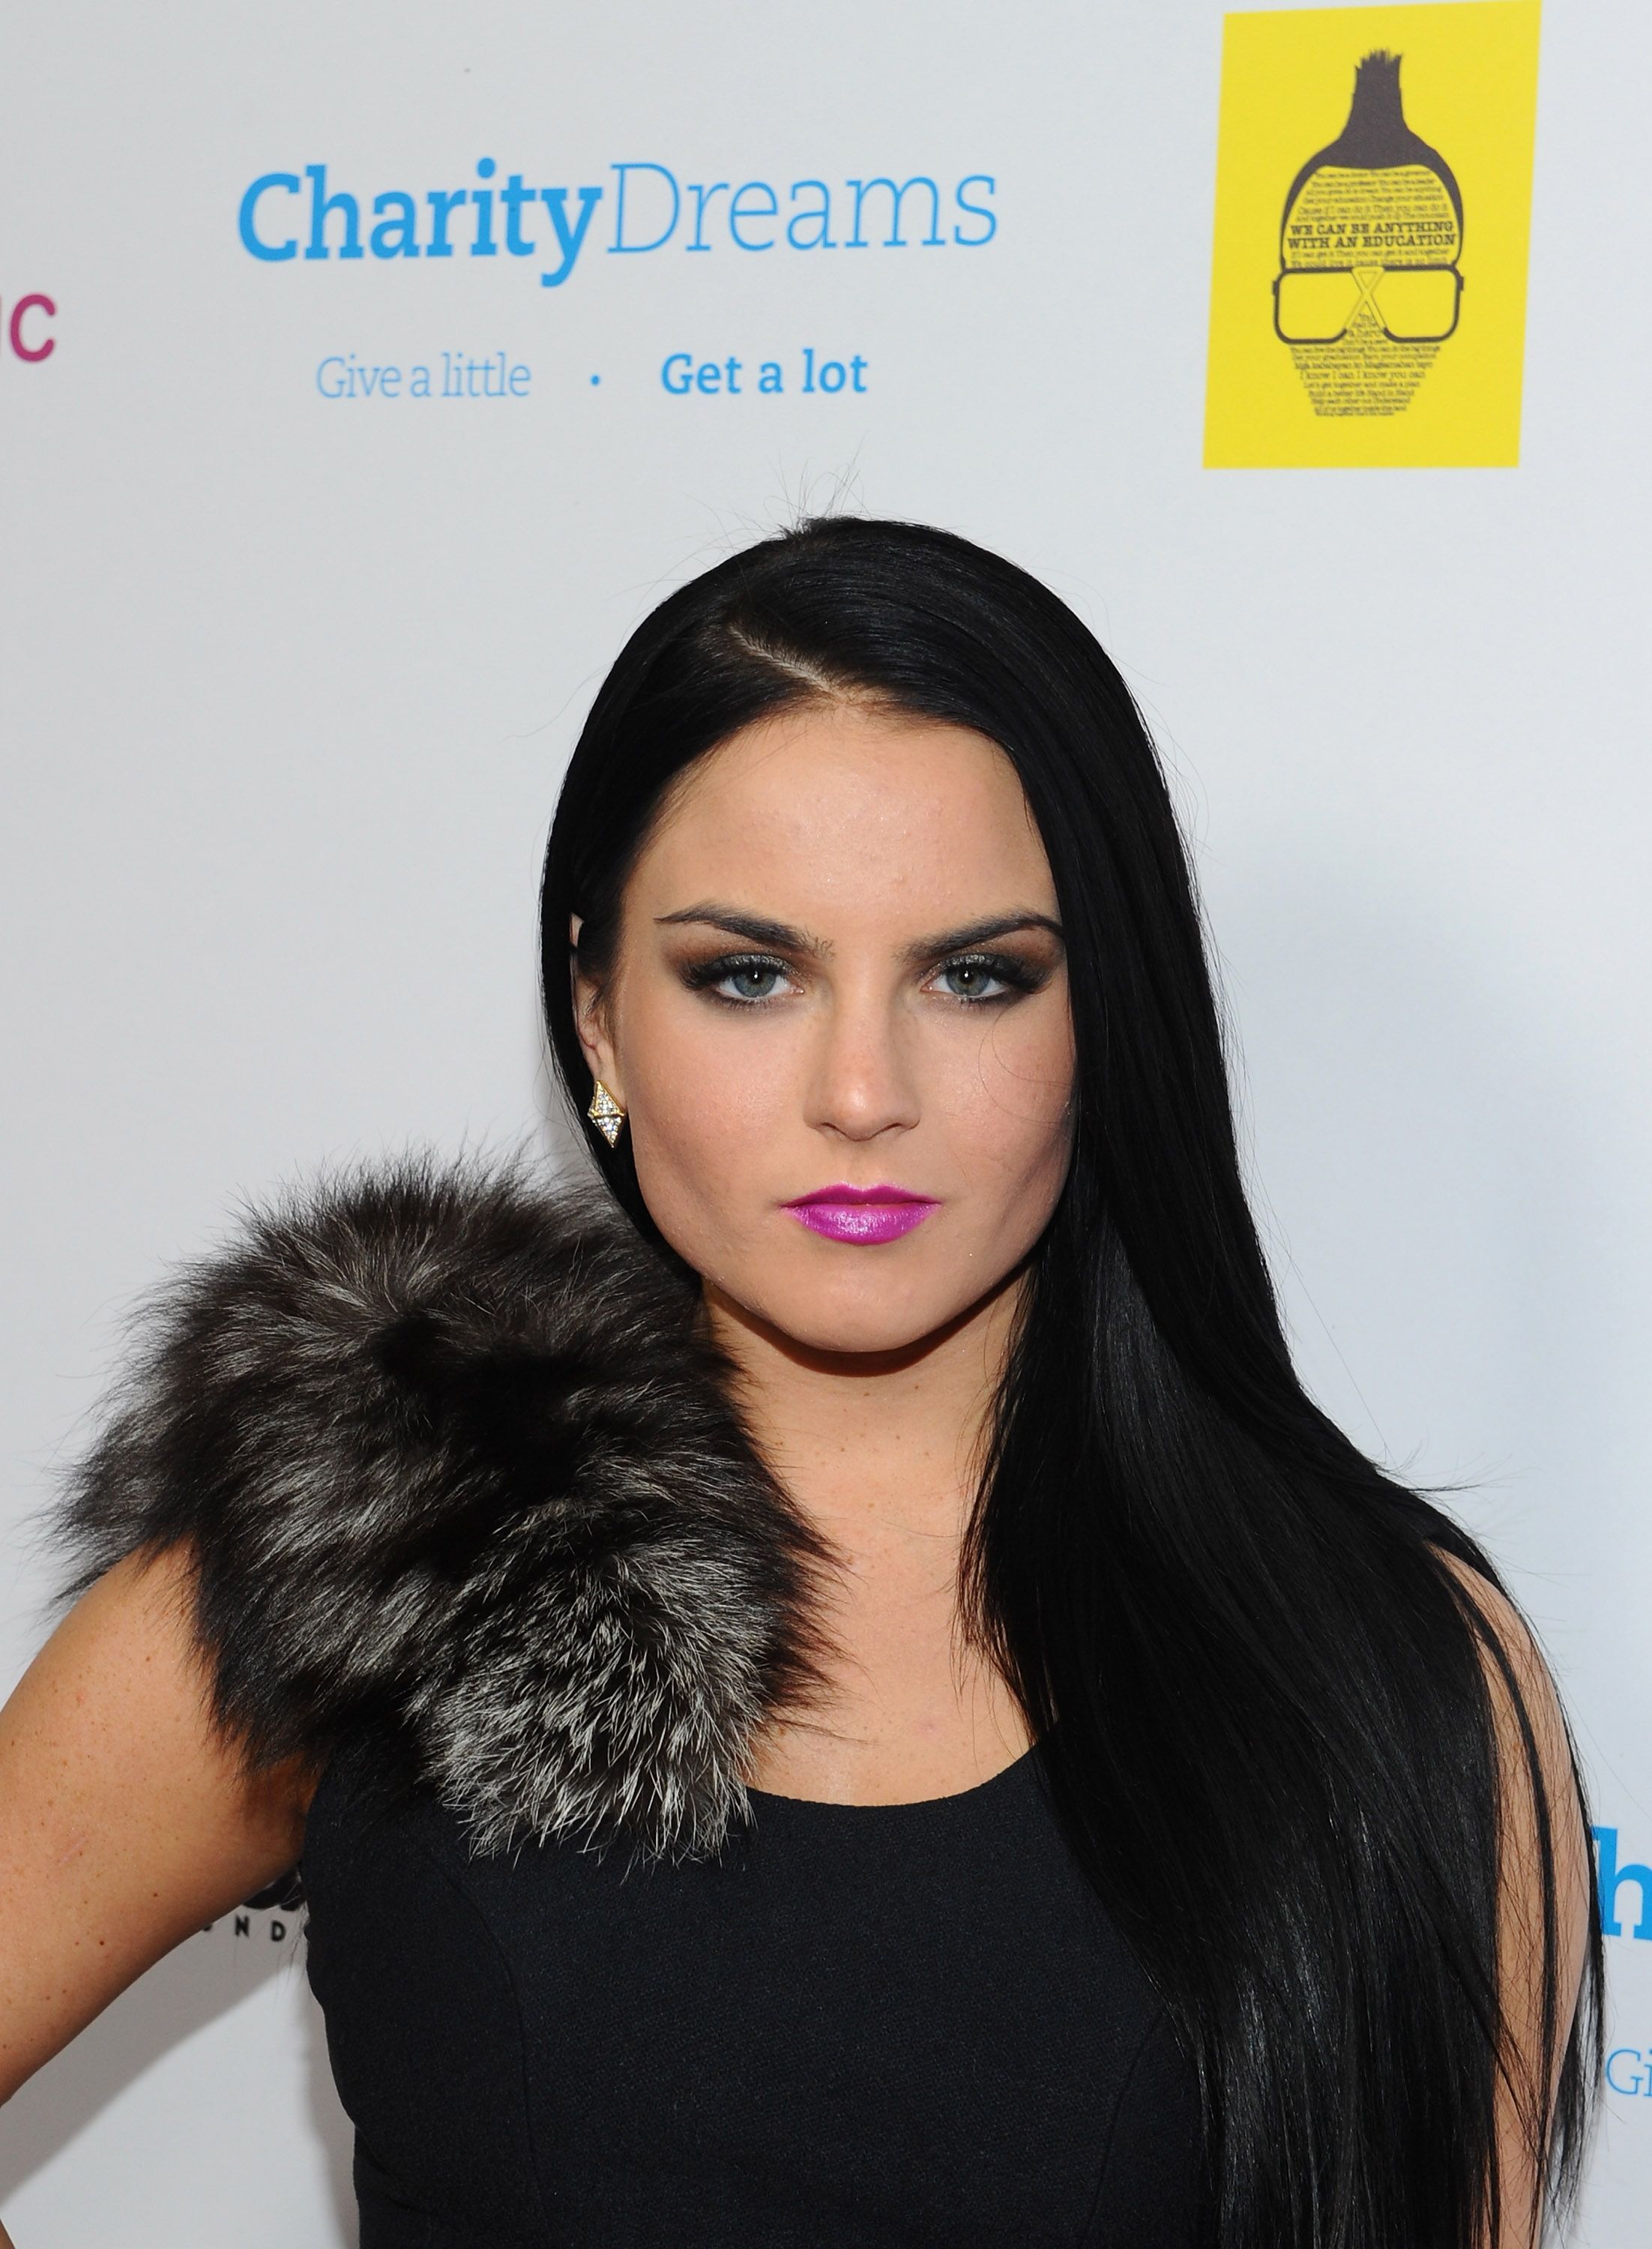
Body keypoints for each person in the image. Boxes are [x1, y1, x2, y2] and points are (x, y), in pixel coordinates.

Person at [0, 517, 1598, 2248]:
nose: (859, 1091)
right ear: (598, 1019)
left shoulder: (1377, 1662)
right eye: (747, 975)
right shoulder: (370, 1547)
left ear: (1104, 1023)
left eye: (974, 977)